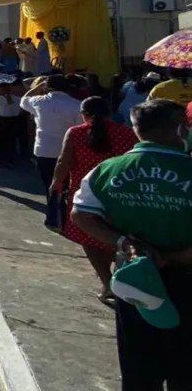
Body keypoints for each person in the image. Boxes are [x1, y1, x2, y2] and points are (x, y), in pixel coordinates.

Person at [71, 100, 192, 389]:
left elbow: (80, 215)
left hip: (134, 279)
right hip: (186, 281)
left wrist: (124, 242)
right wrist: (173, 256)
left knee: (139, 367)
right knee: (186, 368)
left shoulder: (108, 170)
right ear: (180, 128)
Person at [49, 96, 138, 306]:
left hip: (83, 194)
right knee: (109, 236)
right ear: (109, 112)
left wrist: (56, 183)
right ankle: (111, 279)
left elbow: (64, 161)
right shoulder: (126, 133)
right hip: (117, 194)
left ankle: (107, 282)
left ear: (84, 113)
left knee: (87, 236)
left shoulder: (76, 132)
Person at [20, 75, 83, 230]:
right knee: (68, 185)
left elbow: (23, 101)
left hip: (44, 150)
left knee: (51, 185)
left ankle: (55, 219)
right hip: (68, 150)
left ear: (47, 87)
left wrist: (37, 86)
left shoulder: (39, 101)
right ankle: (67, 218)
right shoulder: (76, 105)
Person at [0, 82, 21, 167]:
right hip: (14, 120)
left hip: (1, 120)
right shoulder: (17, 98)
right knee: (11, 141)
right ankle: (11, 161)